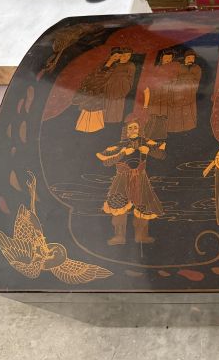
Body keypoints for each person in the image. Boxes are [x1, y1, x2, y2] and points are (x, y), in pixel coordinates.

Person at [96, 116, 166, 245]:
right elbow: (106, 161)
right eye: (130, 128)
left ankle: (141, 235)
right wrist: (123, 153)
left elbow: (162, 154)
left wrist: (149, 151)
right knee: (118, 203)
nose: (133, 130)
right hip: (122, 178)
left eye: (135, 127)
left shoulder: (146, 142)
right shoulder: (120, 145)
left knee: (144, 205)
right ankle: (119, 236)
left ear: (139, 130)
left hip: (140, 177)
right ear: (126, 130)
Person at [73, 51, 119, 133]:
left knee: (95, 110)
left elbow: (106, 78)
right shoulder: (102, 63)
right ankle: (83, 128)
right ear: (111, 55)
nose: (116, 58)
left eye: (118, 57)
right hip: (91, 87)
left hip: (99, 91)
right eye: (115, 56)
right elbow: (93, 74)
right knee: (87, 110)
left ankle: (95, 128)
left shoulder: (114, 66)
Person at [144, 47, 179, 137]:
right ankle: (148, 135)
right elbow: (150, 81)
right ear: (162, 58)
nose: (167, 60)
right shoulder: (156, 68)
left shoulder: (173, 69)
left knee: (163, 117)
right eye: (166, 58)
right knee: (153, 115)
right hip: (155, 95)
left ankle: (160, 136)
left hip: (166, 95)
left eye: (169, 58)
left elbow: (174, 81)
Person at [168, 48, 202, 132]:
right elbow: (174, 79)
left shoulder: (197, 68)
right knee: (177, 111)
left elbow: (196, 81)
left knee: (188, 111)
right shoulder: (179, 67)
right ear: (185, 58)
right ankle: (176, 128)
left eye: (192, 58)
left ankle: (188, 128)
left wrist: (185, 80)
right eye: (189, 58)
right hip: (178, 92)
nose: (191, 60)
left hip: (190, 92)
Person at [102, 47, 136, 124]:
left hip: (121, 88)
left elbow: (131, 78)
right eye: (124, 55)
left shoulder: (130, 65)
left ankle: (115, 122)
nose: (126, 57)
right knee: (108, 104)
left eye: (128, 55)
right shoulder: (114, 64)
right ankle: (106, 121)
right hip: (109, 87)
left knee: (117, 104)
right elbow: (105, 74)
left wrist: (124, 85)